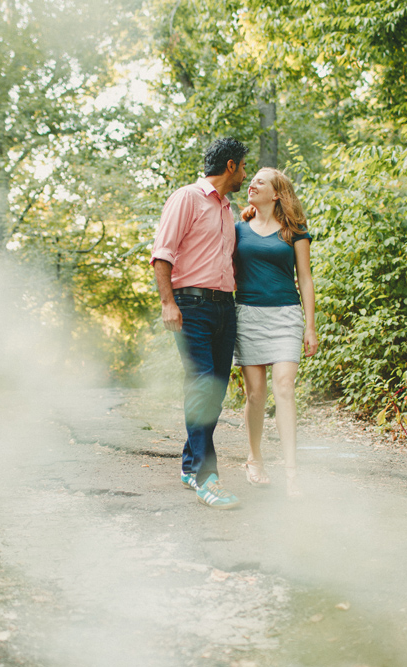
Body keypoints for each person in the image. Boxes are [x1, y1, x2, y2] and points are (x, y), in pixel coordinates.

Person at [150, 137, 249, 509]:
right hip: (191, 306)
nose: (245, 174)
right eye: (242, 166)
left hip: (225, 308)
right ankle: (208, 479)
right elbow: (162, 254)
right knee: (203, 387)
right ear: (229, 166)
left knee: (216, 391)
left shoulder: (227, 209)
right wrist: (168, 303)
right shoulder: (187, 198)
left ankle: (191, 466)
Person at [233, 167, 318, 498]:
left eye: (260, 182)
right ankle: (254, 458)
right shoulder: (238, 230)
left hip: (285, 315)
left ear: (277, 194)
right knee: (255, 394)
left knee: (284, 388)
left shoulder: (294, 231)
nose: (251, 184)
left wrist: (310, 326)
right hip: (248, 315)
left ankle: (292, 472)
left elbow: (306, 278)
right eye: (251, 179)